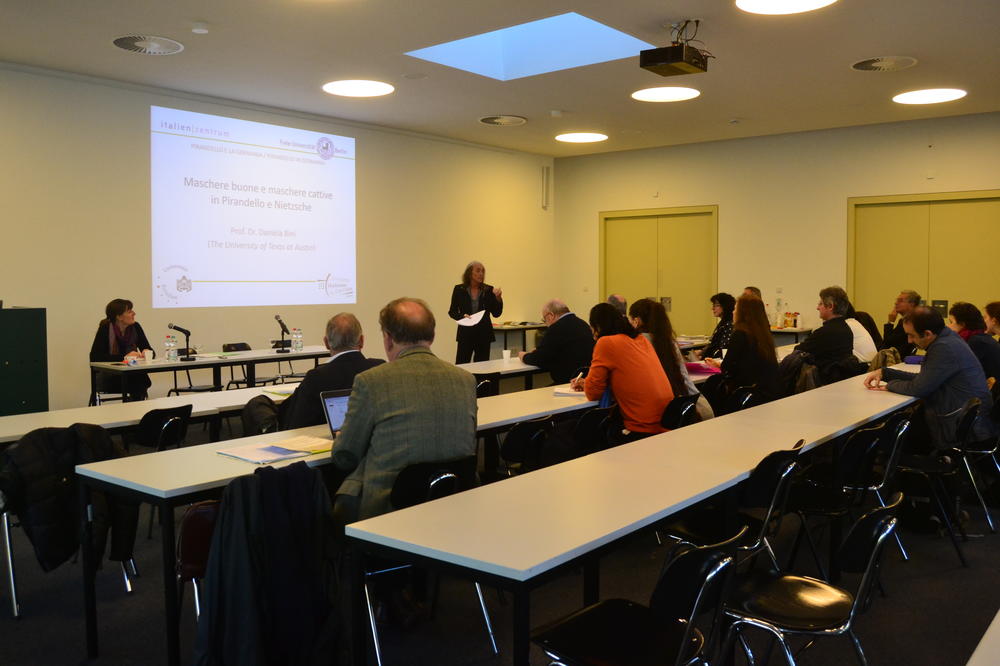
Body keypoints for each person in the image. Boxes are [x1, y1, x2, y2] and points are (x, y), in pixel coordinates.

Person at [329, 297, 477, 523]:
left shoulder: (371, 382)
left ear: (388, 339)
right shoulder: (465, 380)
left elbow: (345, 457)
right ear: (432, 336)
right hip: (454, 504)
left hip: (388, 512)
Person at [864, 307, 995, 449]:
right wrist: (886, 373)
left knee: (891, 435)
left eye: (911, 335)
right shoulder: (948, 338)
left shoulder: (943, 348)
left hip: (959, 426)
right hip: (966, 418)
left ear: (927, 334)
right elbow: (924, 380)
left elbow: (918, 388)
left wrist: (890, 385)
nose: (909, 340)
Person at [570, 303, 673, 437]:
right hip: (667, 418)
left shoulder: (606, 342)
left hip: (642, 426)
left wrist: (588, 385)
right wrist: (587, 383)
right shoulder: (641, 339)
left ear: (597, 327)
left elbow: (593, 393)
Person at [282, 313, 385, 429]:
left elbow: (295, 425)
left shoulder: (317, 377)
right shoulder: (380, 368)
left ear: (326, 343)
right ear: (362, 341)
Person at [629, 298, 713, 421]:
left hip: (656, 414)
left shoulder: (635, 343)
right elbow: (685, 378)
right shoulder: (669, 342)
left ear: (636, 321)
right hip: (683, 407)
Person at [703, 295, 779, 413]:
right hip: (765, 392)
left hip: (744, 393)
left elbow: (727, 367)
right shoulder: (764, 334)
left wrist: (718, 365)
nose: (733, 312)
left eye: (735, 309)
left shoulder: (740, 334)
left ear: (743, 313)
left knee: (712, 385)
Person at [89, 298, 153, 401]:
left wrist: (146, 352)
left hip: (132, 374)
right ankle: (135, 407)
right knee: (139, 381)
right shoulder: (105, 328)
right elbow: (95, 357)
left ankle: (135, 406)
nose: (134, 313)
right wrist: (125, 357)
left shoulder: (135, 327)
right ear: (119, 317)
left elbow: (149, 350)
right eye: (129, 311)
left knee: (139, 379)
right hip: (109, 376)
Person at [519, 299, 594, 384]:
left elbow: (540, 359)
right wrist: (539, 350)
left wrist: (524, 356)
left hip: (567, 382)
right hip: (585, 379)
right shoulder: (583, 324)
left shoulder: (556, 328)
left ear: (550, 315)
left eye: (544, 320)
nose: (546, 324)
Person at [448, 261, 503, 363]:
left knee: (482, 366)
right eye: (478, 271)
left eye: (483, 271)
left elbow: (496, 313)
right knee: (462, 364)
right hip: (465, 334)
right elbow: (452, 312)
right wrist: (462, 316)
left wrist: (498, 298)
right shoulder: (459, 289)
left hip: (483, 334)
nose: (481, 274)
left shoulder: (488, 290)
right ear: (469, 273)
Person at [794, 286, 855, 372]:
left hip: (824, 378)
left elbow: (798, 350)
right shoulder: (847, 330)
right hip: (842, 377)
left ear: (830, 306)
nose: (817, 308)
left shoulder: (824, 333)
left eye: (820, 304)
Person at [948, 302, 1000, 383]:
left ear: (962, 324)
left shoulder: (977, 342)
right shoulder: (978, 338)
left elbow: (961, 372)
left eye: (951, 322)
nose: (948, 326)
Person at [883, 290, 920, 358]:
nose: (896, 303)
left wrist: (890, 322)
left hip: (899, 359)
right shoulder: (905, 320)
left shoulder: (910, 321)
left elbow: (888, 343)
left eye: (900, 301)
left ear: (911, 304)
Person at [698, 292, 735, 360]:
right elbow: (713, 344)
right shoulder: (723, 323)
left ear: (725, 306)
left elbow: (722, 349)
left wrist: (704, 357)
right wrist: (701, 352)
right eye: (713, 305)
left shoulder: (729, 324)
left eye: (716, 305)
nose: (713, 308)